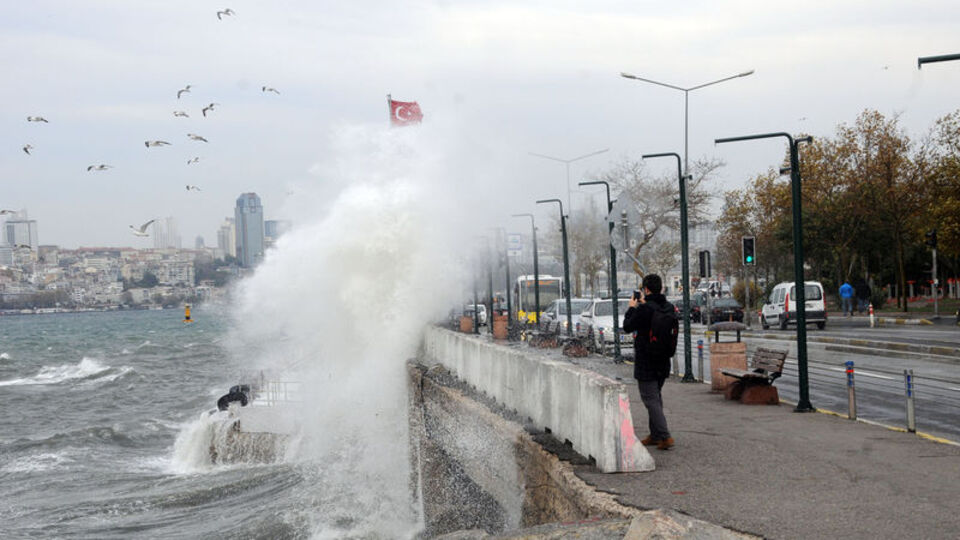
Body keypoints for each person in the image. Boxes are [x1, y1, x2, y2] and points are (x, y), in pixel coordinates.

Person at [622, 274, 675, 450]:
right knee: (656, 397)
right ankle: (655, 435)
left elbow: (627, 326)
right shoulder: (668, 307)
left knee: (650, 399)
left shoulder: (645, 309)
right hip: (664, 358)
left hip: (646, 360)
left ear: (645, 290)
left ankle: (665, 436)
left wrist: (631, 308)